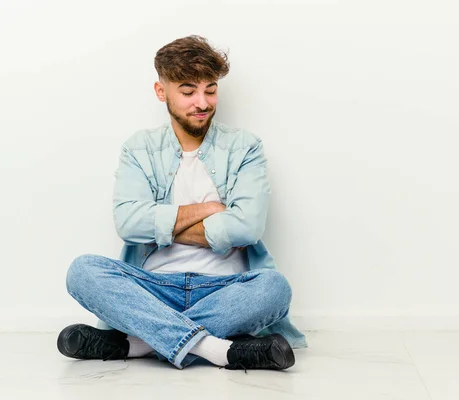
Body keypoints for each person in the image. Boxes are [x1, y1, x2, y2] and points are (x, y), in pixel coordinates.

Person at [56, 35, 306, 371]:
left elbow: (247, 227)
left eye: (210, 89)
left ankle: (139, 345)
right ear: (162, 92)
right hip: (154, 289)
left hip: (224, 290)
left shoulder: (245, 147)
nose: (202, 102)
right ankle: (220, 350)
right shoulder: (139, 148)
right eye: (188, 91)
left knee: (273, 289)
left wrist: (163, 224)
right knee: (82, 271)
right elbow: (129, 224)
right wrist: (209, 209)